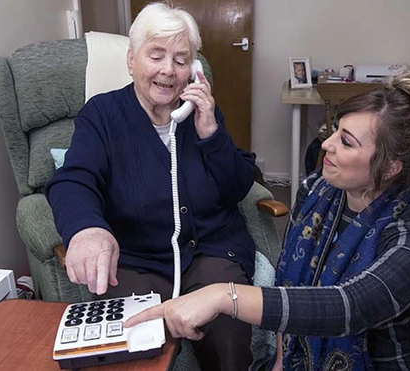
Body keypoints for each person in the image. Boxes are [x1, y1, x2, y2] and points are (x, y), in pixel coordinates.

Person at [125, 64, 410, 371]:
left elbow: (349, 306)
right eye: (333, 131)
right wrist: (282, 363)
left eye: (346, 142)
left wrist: (220, 296)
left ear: (390, 167)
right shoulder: (318, 190)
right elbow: (292, 282)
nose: (326, 144)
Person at [45, 3, 255, 370]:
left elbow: (238, 188)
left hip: (211, 251)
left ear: (193, 69)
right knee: (135, 348)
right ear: (131, 61)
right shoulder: (102, 115)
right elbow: (74, 178)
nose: (167, 70)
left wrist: (211, 133)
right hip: (137, 259)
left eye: (180, 59)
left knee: (229, 337)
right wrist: (86, 229)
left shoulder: (201, 111)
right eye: (155, 55)